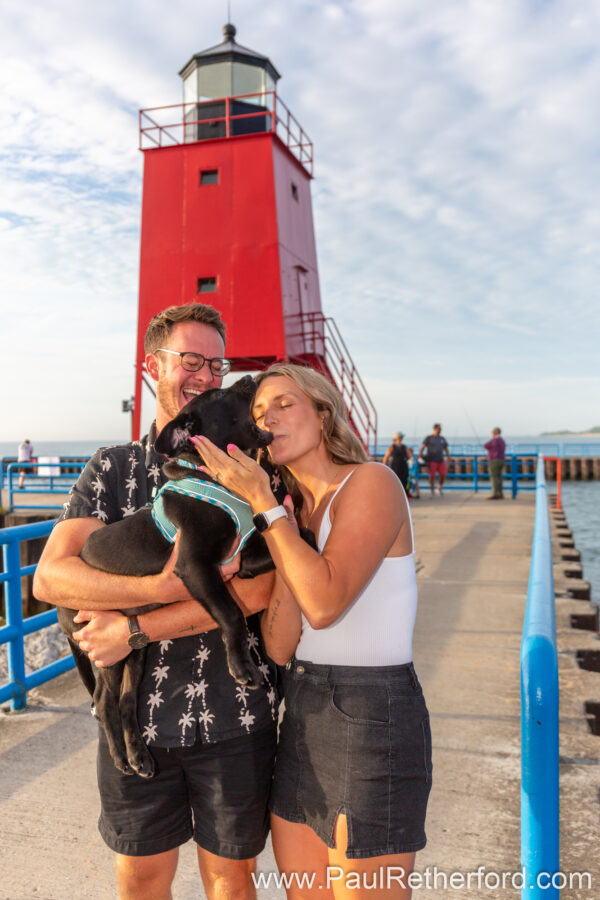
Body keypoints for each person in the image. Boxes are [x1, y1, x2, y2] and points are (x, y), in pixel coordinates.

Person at [34, 303, 279, 900]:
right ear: (153, 366)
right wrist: (165, 587)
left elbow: (260, 587)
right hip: (137, 717)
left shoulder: (254, 466)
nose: (206, 375)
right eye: (191, 360)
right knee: (142, 877)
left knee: (231, 877)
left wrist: (135, 631)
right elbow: (52, 579)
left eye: (216, 363)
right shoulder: (113, 468)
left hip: (234, 712)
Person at [194, 364, 432, 900]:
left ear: (324, 413)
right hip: (302, 709)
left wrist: (264, 508)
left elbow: (324, 606)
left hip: (372, 715)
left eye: (285, 403)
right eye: (258, 412)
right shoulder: (294, 513)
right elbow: (279, 646)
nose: (268, 417)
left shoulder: (371, 482)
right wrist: (283, 524)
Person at [419, 424, 451, 496]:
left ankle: (439, 488)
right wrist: (420, 455)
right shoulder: (429, 438)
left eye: (440, 429)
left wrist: (449, 458)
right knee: (431, 476)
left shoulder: (442, 438)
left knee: (443, 474)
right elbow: (422, 447)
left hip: (441, 460)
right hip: (432, 460)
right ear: (434, 429)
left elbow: (446, 449)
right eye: (438, 428)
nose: (439, 430)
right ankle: (432, 491)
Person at [484, 427, 506, 500]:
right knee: (499, 477)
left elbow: (486, 445)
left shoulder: (495, 440)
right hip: (501, 459)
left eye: (492, 432)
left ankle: (495, 493)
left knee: (494, 477)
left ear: (496, 432)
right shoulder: (502, 440)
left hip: (494, 460)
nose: (492, 433)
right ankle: (500, 493)